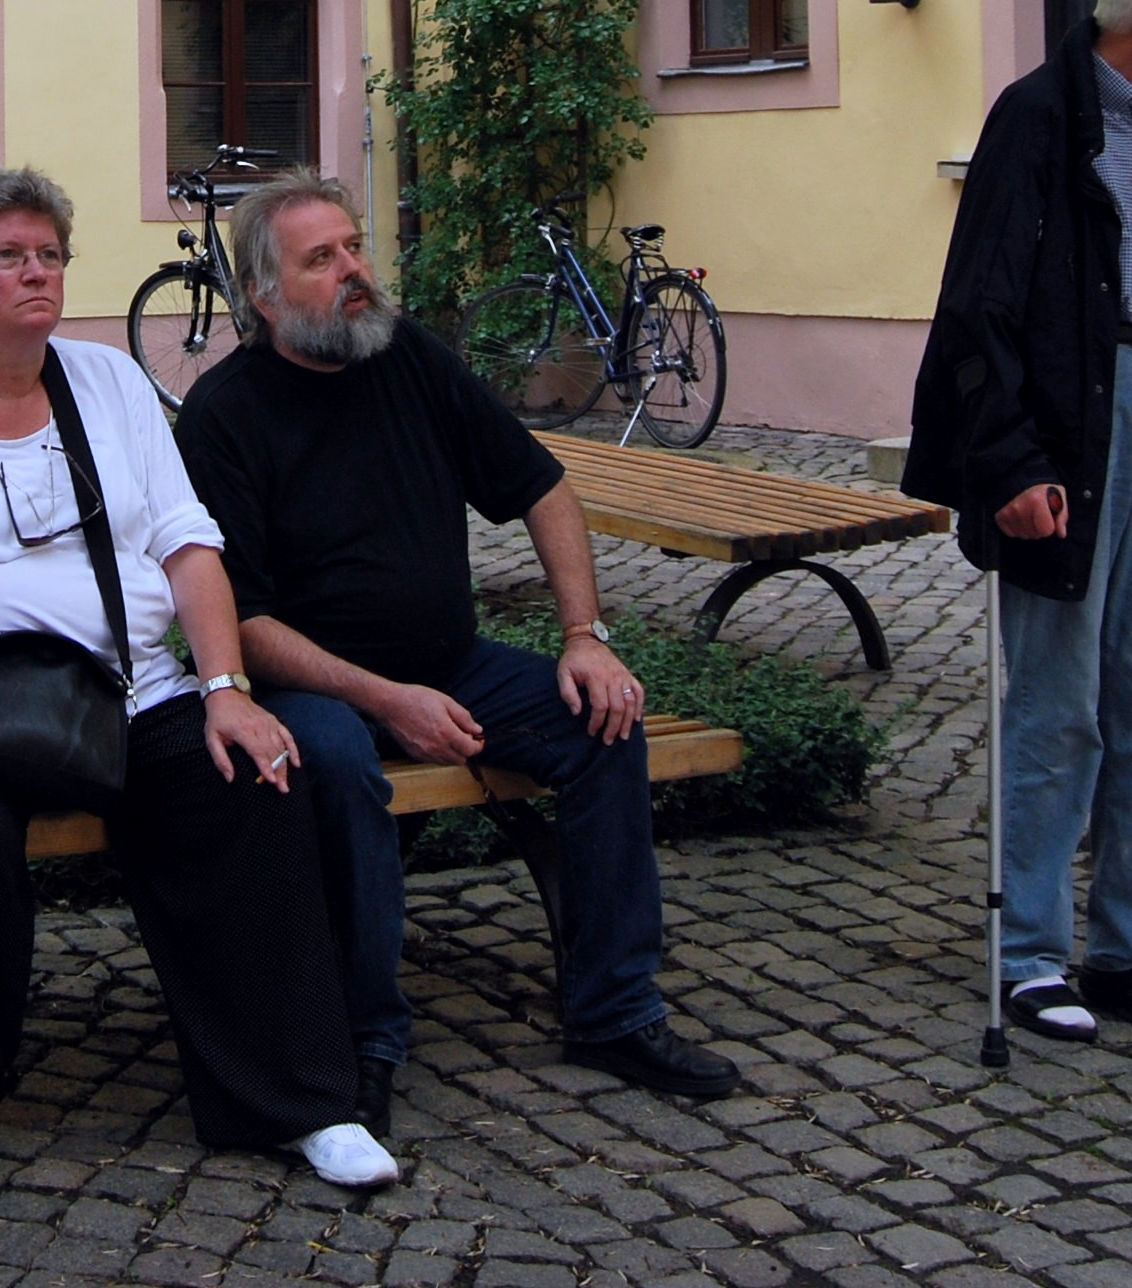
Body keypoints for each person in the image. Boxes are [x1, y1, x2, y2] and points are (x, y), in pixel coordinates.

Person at [0, 166, 396, 1190]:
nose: (36, 273)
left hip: (128, 694)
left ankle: (302, 1100)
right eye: (8, 256)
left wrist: (225, 690)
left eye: (49, 254)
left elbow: (187, 543)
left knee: (250, 784)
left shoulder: (111, 384)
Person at [174, 170, 737, 1133]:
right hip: (310, 687)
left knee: (603, 723)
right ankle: (364, 1043)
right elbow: (245, 618)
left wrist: (584, 637)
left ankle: (613, 1011)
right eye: (322, 259)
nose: (355, 271)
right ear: (265, 297)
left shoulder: (410, 359)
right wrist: (387, 699)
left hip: (451, 663)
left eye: (355, 247)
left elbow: (542, 488)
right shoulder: (224, 414)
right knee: (339, 766)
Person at [902, 0, 1132, 1043]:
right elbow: (977, 305)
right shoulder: (1035, 117)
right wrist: (1009, 461)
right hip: (1072, 426)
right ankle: (1029, 952)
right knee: (1058, 699)